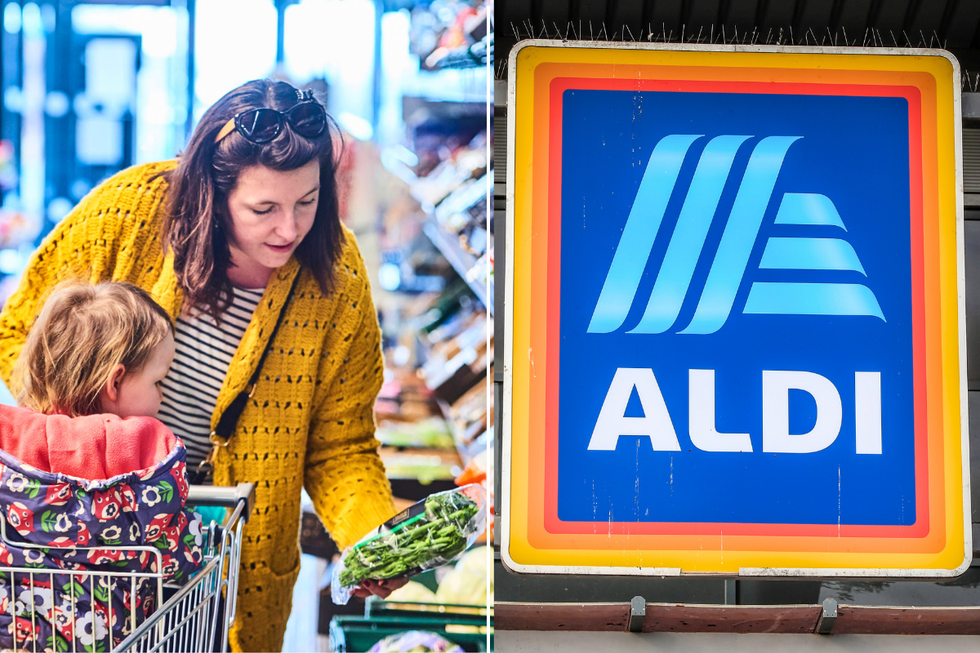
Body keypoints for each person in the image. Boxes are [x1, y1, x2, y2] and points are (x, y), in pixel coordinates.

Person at [0, 80, 404, 652]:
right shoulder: (129, 212)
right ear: (211, 193)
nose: (289, 229)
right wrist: (79, 434)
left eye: (307, 203)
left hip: (236, 571)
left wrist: (374, 536)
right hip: (89, 558)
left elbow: (342, 445)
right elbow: (18, 331)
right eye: (263, 208)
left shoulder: (337, 278)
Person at [0, 281, 203, 651]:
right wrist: (201, 536)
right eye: (159, 381)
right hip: (119, 637)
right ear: (116, 381)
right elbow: (176, 557)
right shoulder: (146, 459)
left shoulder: (12, 445)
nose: (164, 394)